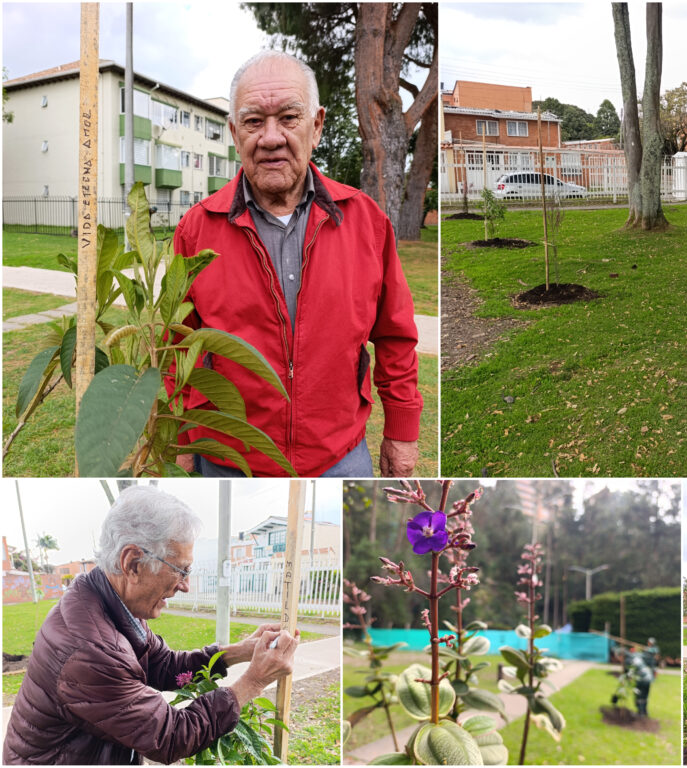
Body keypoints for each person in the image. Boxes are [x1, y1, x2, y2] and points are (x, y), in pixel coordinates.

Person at [172, 51, 422, 477]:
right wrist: (179, 436)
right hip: (230, 462)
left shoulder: (366, 223)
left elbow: (395, 335)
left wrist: (402, 430)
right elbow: (176, 345)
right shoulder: (196, 231)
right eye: (253, 122)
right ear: (235, 132)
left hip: (339, 457)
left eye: (288, 117)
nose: (271, 137)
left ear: (317, 125)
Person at [2, 486, 299, 764]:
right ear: (133, 564)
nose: (185, 585)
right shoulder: (89, 651)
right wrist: (254, 681)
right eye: (181, 570)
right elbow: (170, 736)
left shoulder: (108, 600)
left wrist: (240, 651)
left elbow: (165, 666)